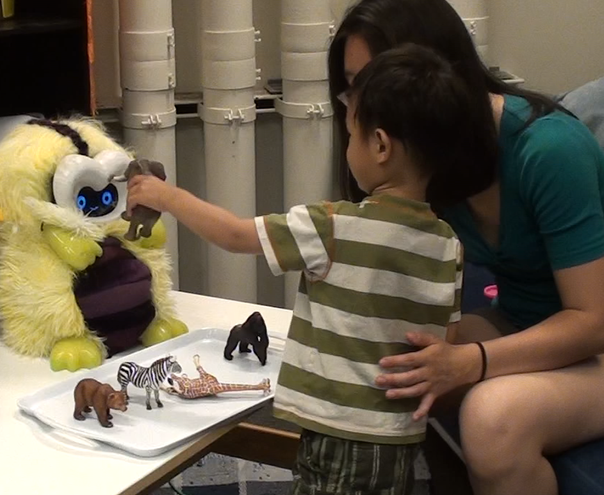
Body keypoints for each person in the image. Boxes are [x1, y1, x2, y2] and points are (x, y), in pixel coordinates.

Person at [127, 43, 486, 494]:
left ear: (379, 145)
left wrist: (167, 197)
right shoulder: (449, 246)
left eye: (351, 134)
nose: (347, 146)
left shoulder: (333, 225)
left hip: (339, 434)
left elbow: (238, 236)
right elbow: (443, 345)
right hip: (399, 440)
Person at [328, 0, 604, 495]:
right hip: (528, 324)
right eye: (354, 89)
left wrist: (469, 363)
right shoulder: (428, 165)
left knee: (491, 418)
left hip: (595, 343)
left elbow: (592, 322)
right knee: (393, 362)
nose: (363, 111)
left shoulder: (548, 151)